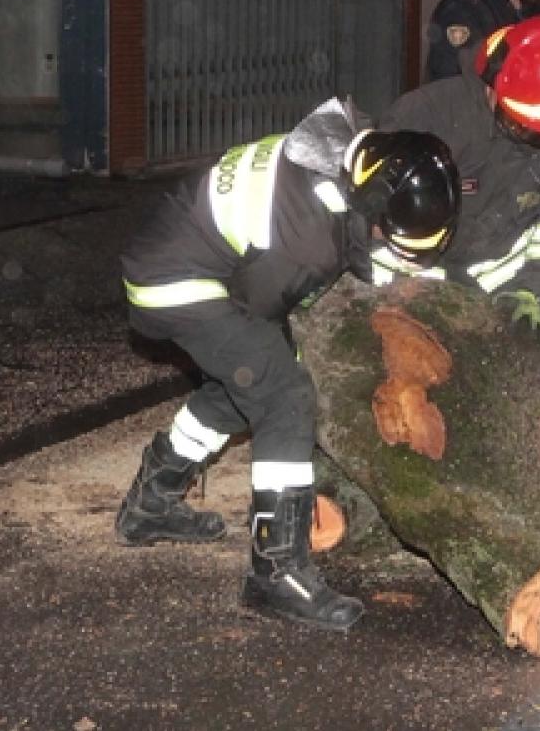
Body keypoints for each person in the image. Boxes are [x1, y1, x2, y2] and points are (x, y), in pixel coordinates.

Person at [116, 98, 461, 632]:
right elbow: (262, 307)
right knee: (283, 392)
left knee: (242, 383)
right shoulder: (304, 241)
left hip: (171, 251)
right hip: (173, 281)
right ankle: (275, 571)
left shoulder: (347, 150)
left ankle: (151, 501)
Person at [384, 15, 540, 416]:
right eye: (515, 123)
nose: (524, 136)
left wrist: (532, 290)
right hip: (426, 272)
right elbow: (377, 206)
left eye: (535, 131)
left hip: (511, 271)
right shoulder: (428, 115)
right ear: (494, 83)